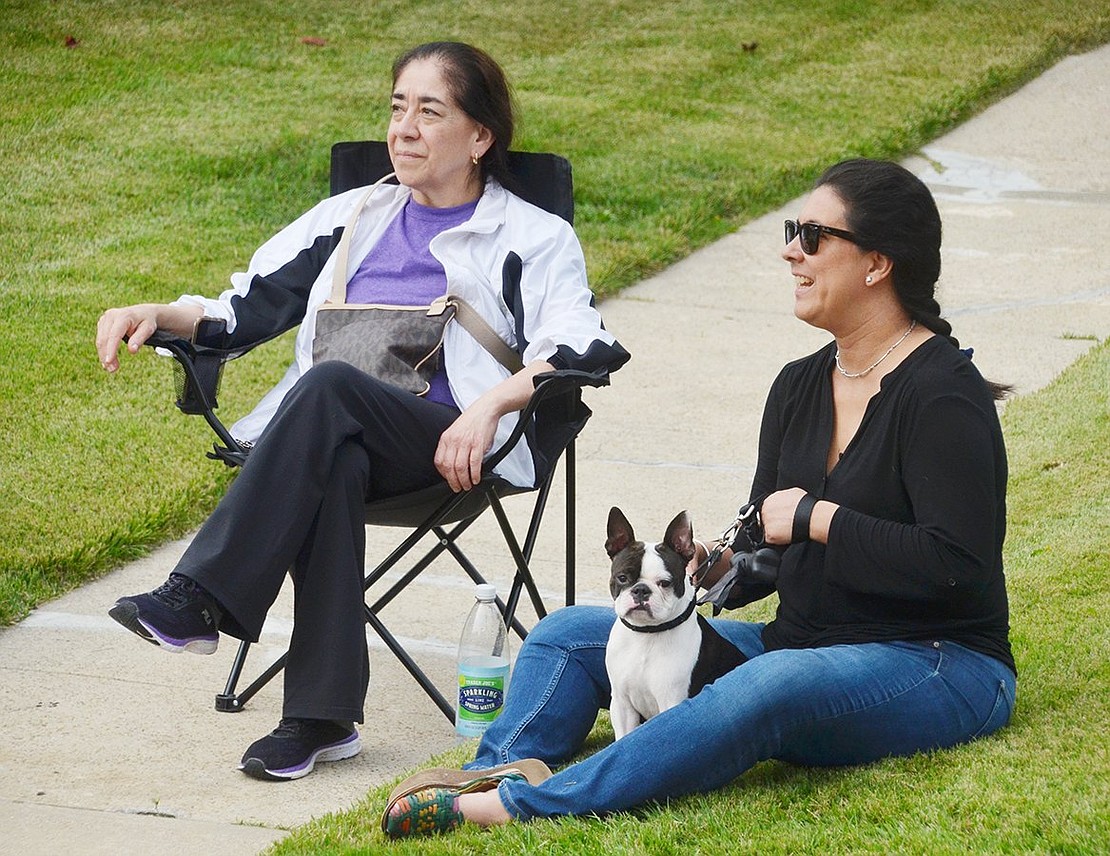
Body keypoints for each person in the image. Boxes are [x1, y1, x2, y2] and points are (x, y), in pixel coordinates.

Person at [382, 158, 1017, 838]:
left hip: (937, 661)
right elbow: (771, 548)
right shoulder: (800, 385)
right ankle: (506, 768)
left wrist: (816, 516)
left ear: (876, 264)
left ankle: (523, 808)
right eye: (790, 230)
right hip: (795, 644)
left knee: (764, 689)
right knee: (568, 635)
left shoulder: (943, 394)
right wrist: (722, 564)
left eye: (812, 236)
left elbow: (958, 562)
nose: (789, 249)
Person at [96, 41, 630, 781]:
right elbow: (241, 312)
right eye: (396, 108)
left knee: (326, 389)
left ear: (480, 138)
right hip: (333, 437)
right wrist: (151, 310)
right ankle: (319, 719)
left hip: (451, 446)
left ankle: (199, 597)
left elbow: (583, 342)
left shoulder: (530, 236)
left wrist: (494, 408)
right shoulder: (353, 213)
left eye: (430, 112)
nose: (404, 129)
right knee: (332, 451)